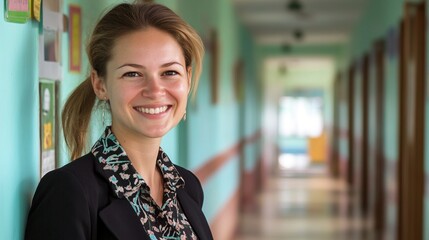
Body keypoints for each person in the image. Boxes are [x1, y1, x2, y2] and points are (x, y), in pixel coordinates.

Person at [25, 2, 213, 240]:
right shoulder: (69, 192)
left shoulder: (188, 187)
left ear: (187, 78)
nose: (155, 90)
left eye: (169, 72)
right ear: (100, 84)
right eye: (132, 73)